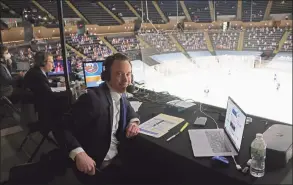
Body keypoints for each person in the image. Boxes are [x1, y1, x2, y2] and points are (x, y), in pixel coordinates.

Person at [61, 53, 140, 184]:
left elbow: (130, 110)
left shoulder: (120, 93)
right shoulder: (93, 99)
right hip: (97, 166)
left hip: (116, 159)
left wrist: (134, 122)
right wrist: (79, 153)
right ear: (107, 76)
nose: (126, 80)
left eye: (128, 74)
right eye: (119, 74)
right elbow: (62, 126)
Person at [23, 51, 67, 126]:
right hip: (42, 111)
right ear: (43, 62)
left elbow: (44, 85)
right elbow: (50, 95)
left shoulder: (36, 72)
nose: (53, 64)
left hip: (37, 105)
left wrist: (59, 84)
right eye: (51, 62)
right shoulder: (38, 76)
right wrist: (67, 92)